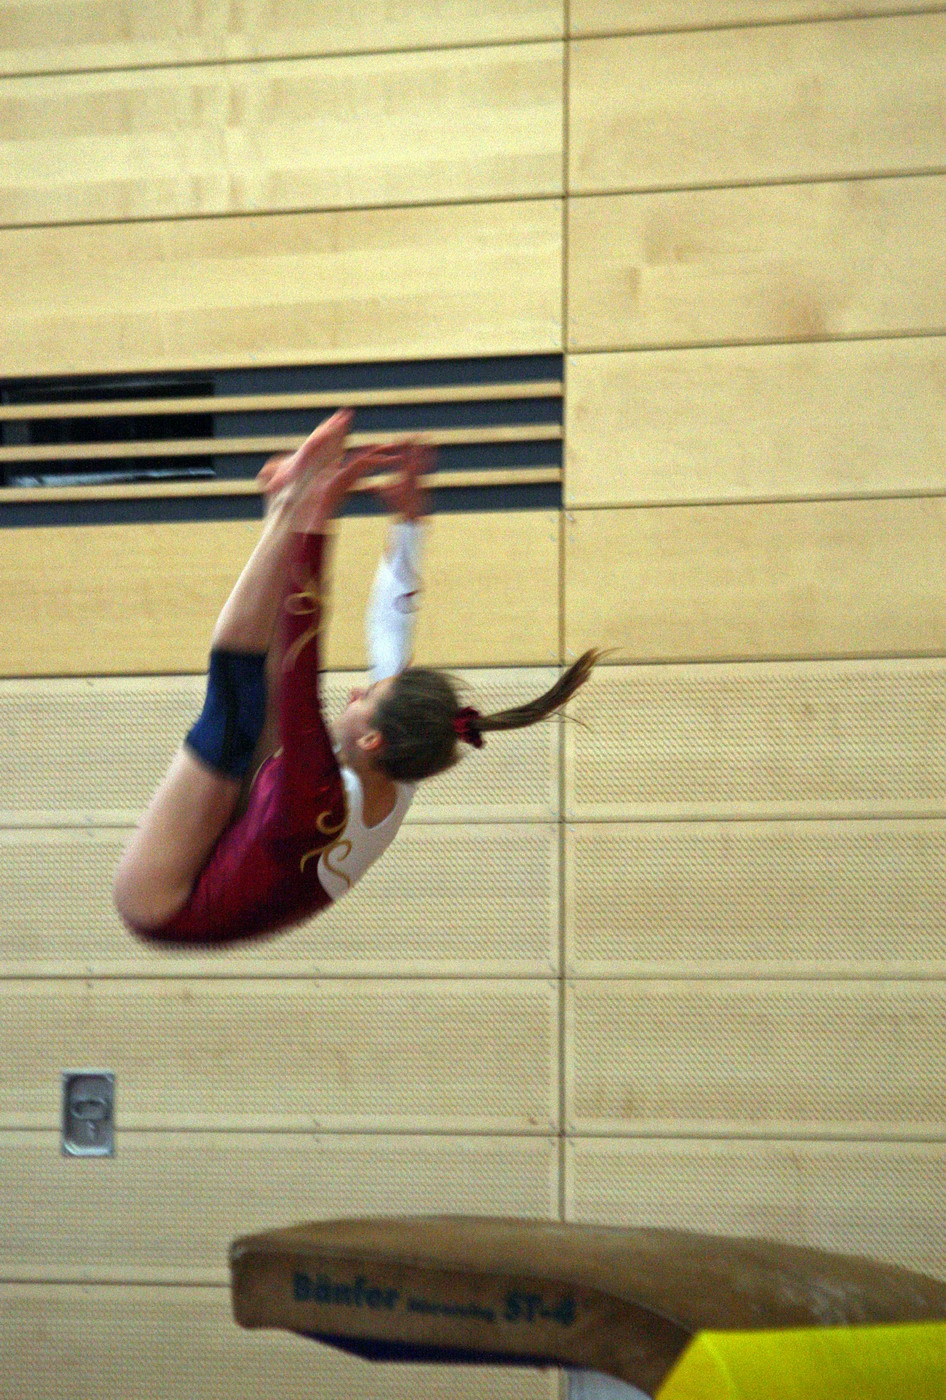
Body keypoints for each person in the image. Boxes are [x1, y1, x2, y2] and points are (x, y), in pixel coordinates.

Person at [113, 410, 599, 947]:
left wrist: (318, 520)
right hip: (254, 826)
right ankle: (284, 503)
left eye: (365, 697)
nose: (356, 690)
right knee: (262, 691)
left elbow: (302, 665)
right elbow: (391, 631)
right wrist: (409, 525)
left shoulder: (324, 797)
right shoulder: (400, 761)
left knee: (233, 707)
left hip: (163, 899)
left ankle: (288, 506)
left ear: (371, 740)